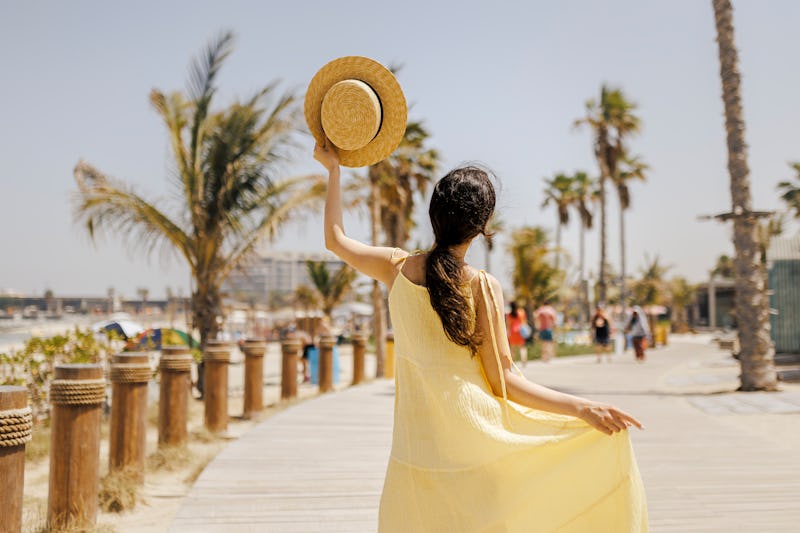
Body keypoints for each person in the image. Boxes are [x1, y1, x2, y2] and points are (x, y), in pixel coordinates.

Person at [315, 143, 647, 532]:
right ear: (483, 227)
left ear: (434, 214)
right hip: (476, 443)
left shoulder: (396, 268)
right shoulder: (483, 286)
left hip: (415, 451)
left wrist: (334, 170)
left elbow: (335, 240)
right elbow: (504, 381)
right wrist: (581, 408)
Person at [505, 301, 528, 366]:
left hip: (512, 332)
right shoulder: (521, 312)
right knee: (522, 347)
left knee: (512, 348)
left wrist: (508, 333)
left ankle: (512, 362)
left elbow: (508, 325)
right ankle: (524, 360)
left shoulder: (509, 315)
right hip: (520, 331)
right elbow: (524, 322)